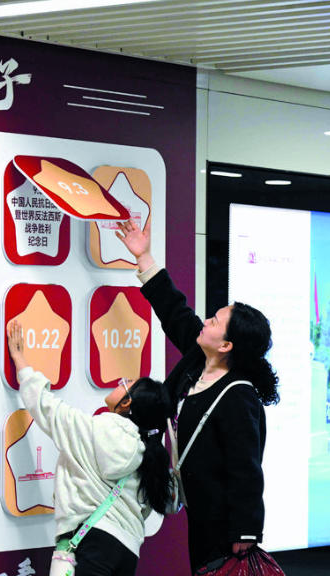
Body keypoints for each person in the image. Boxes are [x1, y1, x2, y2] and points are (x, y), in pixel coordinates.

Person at [115, 219, 280, 574]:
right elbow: (174, 311)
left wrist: (246, 531)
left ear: (226, 345)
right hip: (197, 509)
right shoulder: (197, 362)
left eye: (215, 321)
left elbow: (246, 468)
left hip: (226, 524)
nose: (206, 321)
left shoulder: (239, 395)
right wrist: (143, 257)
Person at [7, 320, 174, 576]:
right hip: (127, 552)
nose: (118, 382)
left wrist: (20, 360)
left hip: (90, 545)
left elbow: (47, 407)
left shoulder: (97, 430)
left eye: (126, 383)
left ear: (127, 403)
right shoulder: (147, 452)